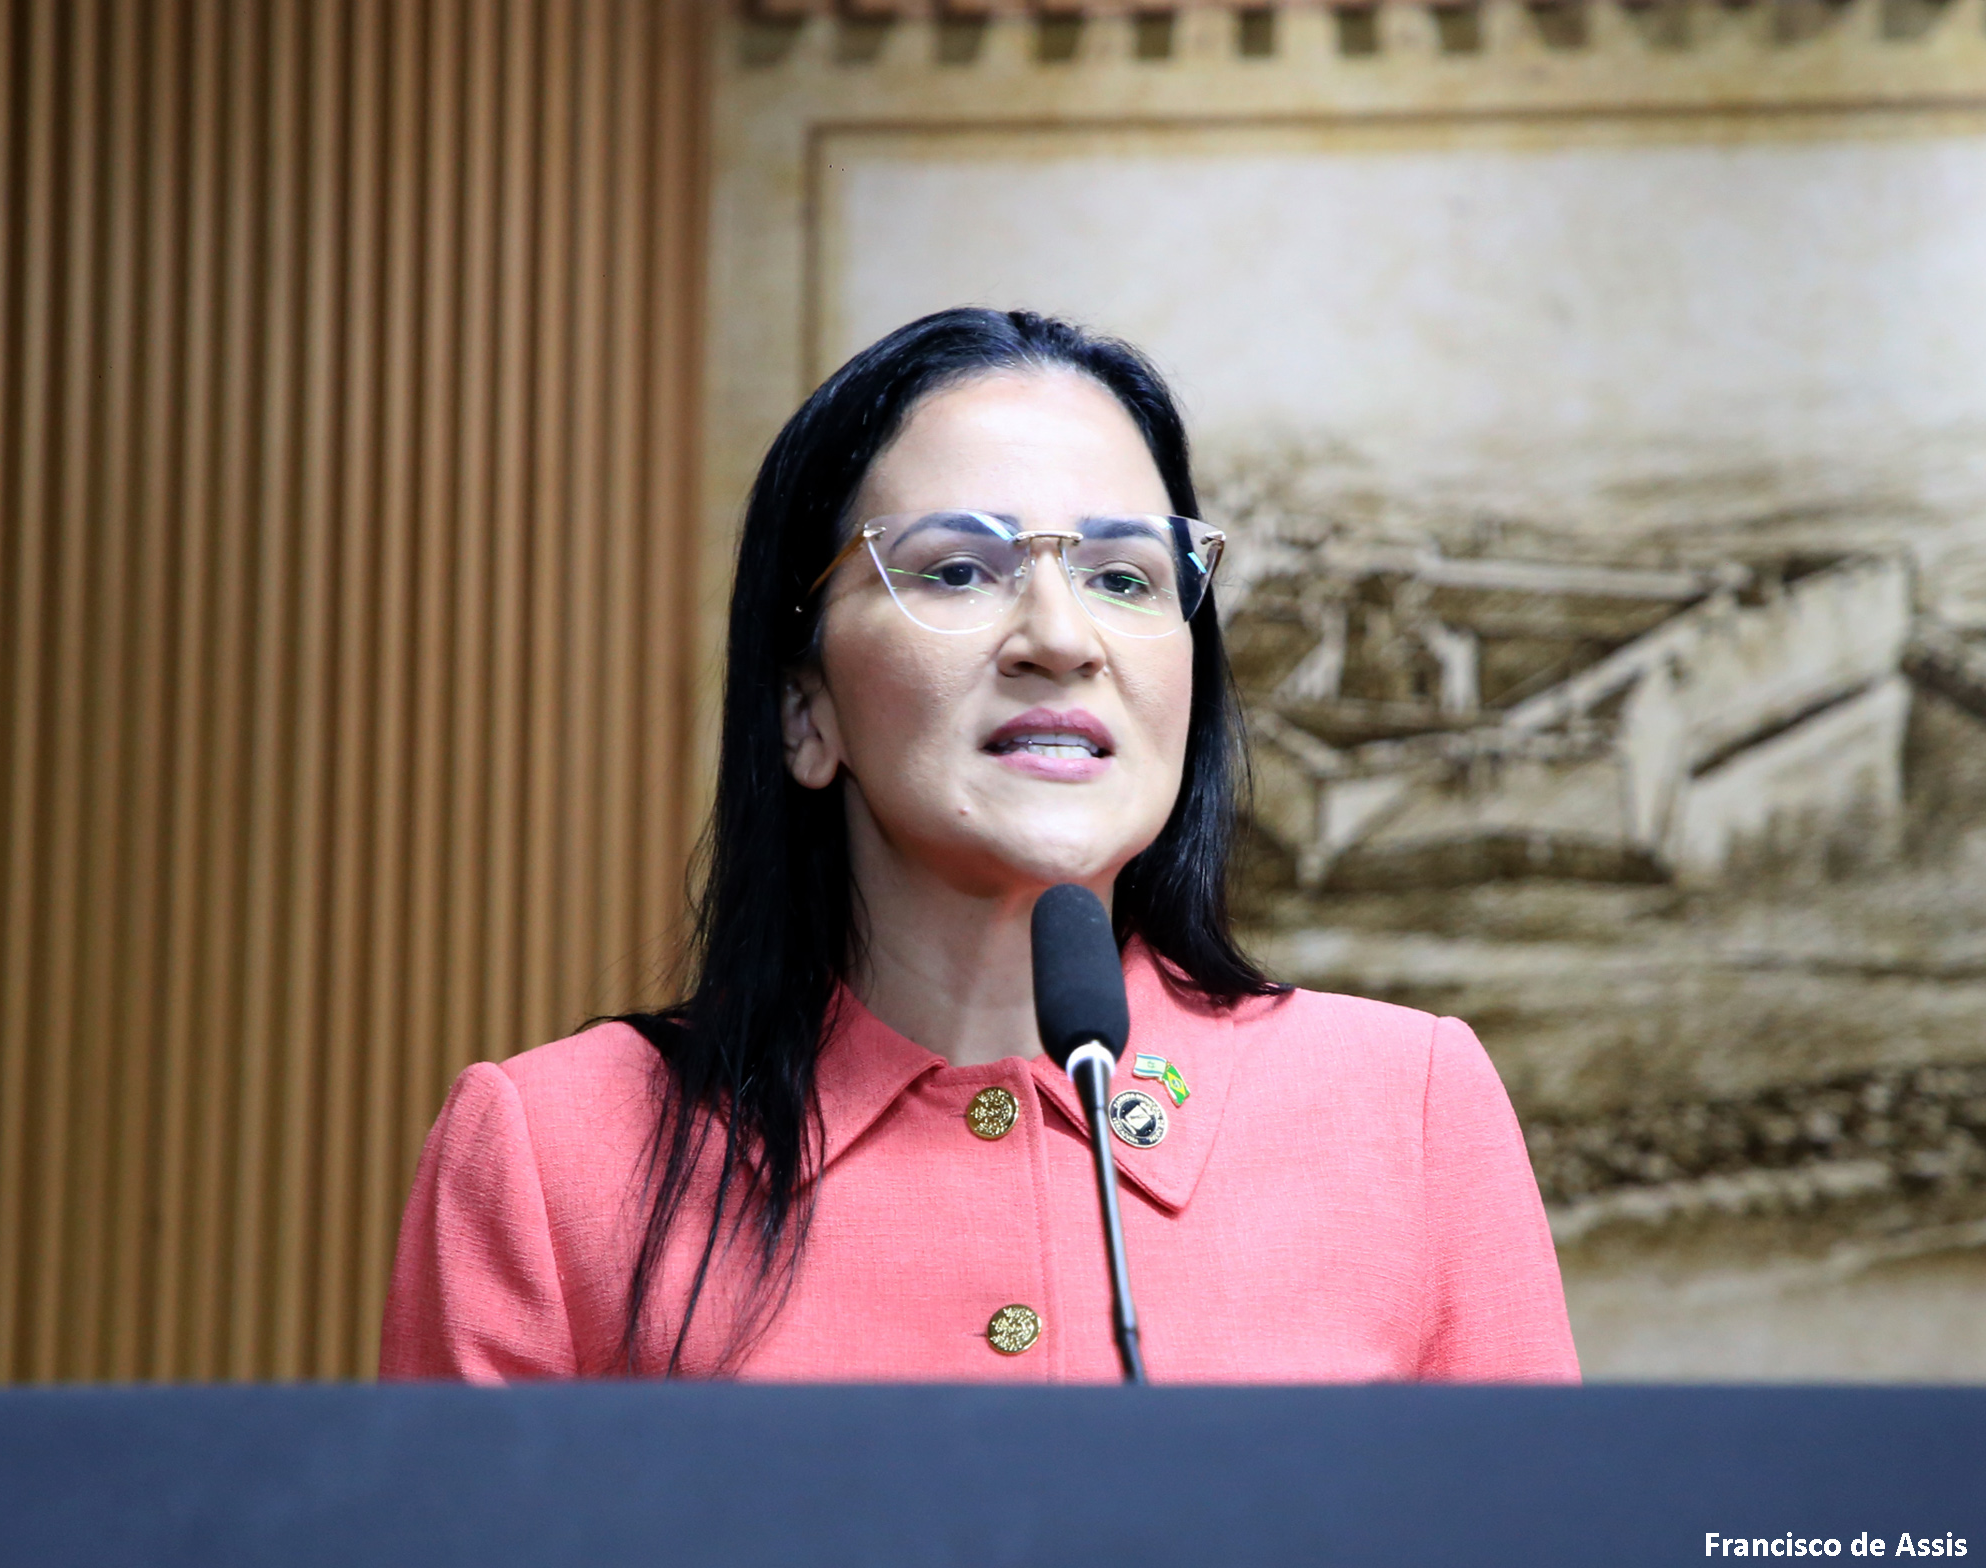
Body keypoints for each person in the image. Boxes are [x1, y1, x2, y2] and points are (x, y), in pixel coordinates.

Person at [380, 308, 1578, 1383]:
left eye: (1123, 575)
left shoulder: (1406, 1108)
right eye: (957, 568)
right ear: (804, 709)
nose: (1060, 636)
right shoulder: (554, 1151)